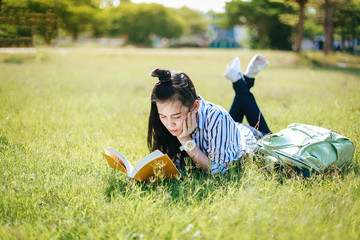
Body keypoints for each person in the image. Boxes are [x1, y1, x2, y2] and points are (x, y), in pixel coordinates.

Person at [147, 54, 271, 174]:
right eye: (163, 116)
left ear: (195, 106)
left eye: (176, 116)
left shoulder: (218, 117)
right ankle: (244, 79)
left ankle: (241, 81)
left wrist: (185, 140)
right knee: (231, 117)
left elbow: (220, 170)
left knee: (269, 137)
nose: (170, 124)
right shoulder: (165, 118)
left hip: (246, 137)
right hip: (226, 131)